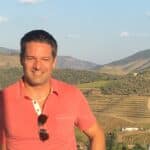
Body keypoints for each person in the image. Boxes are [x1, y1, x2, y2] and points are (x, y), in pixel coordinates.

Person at [0, 29, 105, 150]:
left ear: (54, 62)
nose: (37, 66)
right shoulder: (4, 99)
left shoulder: (72, 95)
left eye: (45, 59)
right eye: (31, 58)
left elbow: (97, 135)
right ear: (21, 60)